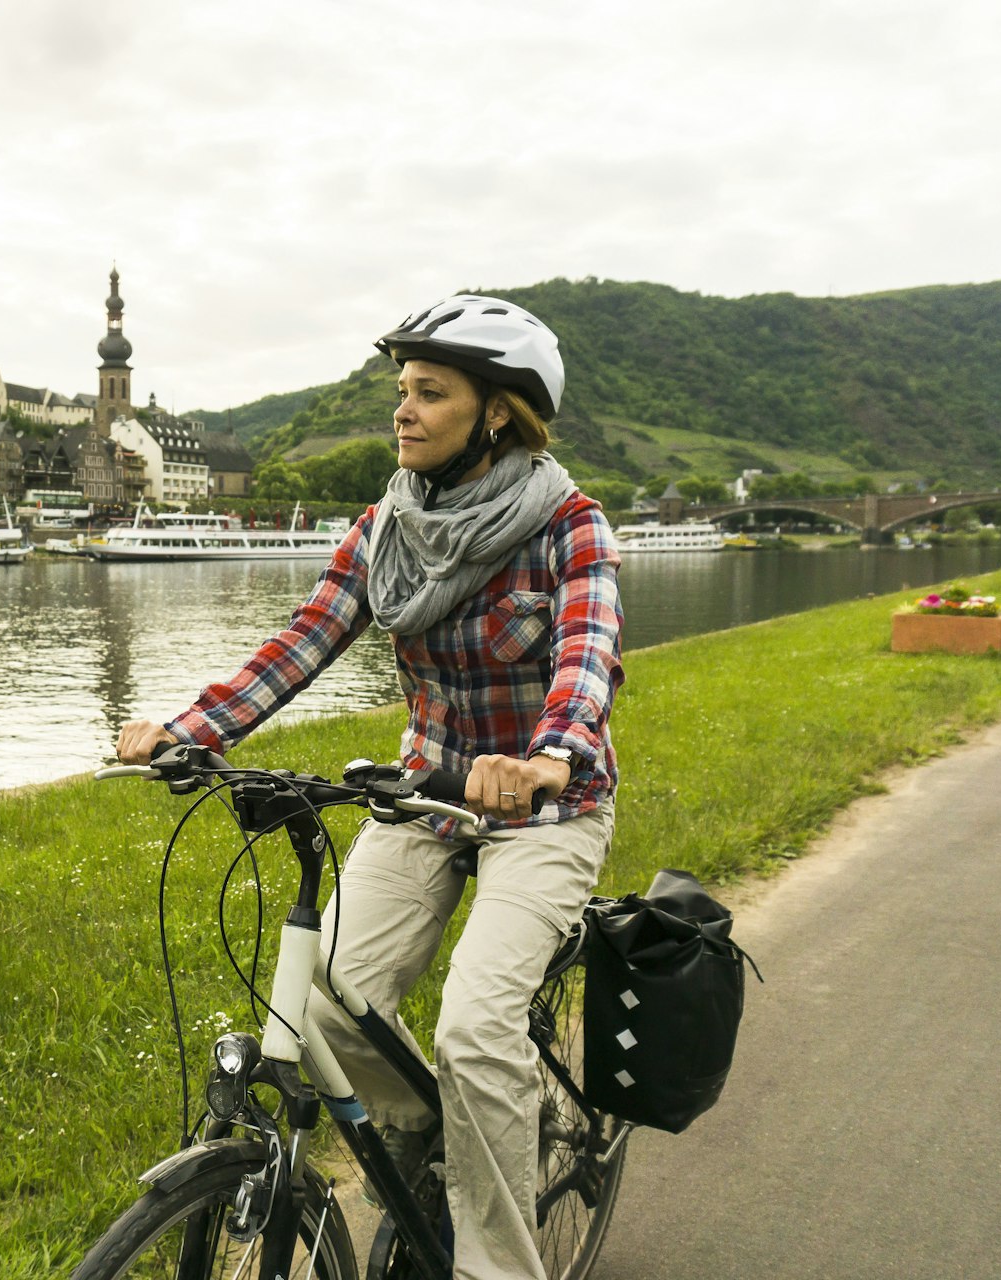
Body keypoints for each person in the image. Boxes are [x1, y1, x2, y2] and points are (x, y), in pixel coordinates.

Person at [116, 294, 623, 1279]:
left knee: (475, 1028)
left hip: (545, 806)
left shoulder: (569, 523)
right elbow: (303, 637)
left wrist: (547, 757)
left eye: (431, 393)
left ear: (497, 414)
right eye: (401, 390)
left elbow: (586, 658)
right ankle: (444, 1142)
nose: (404, 410)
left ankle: (497, 1266)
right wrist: (189, 730)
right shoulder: (387, 526)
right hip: (427, 791)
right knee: (326, 1002)